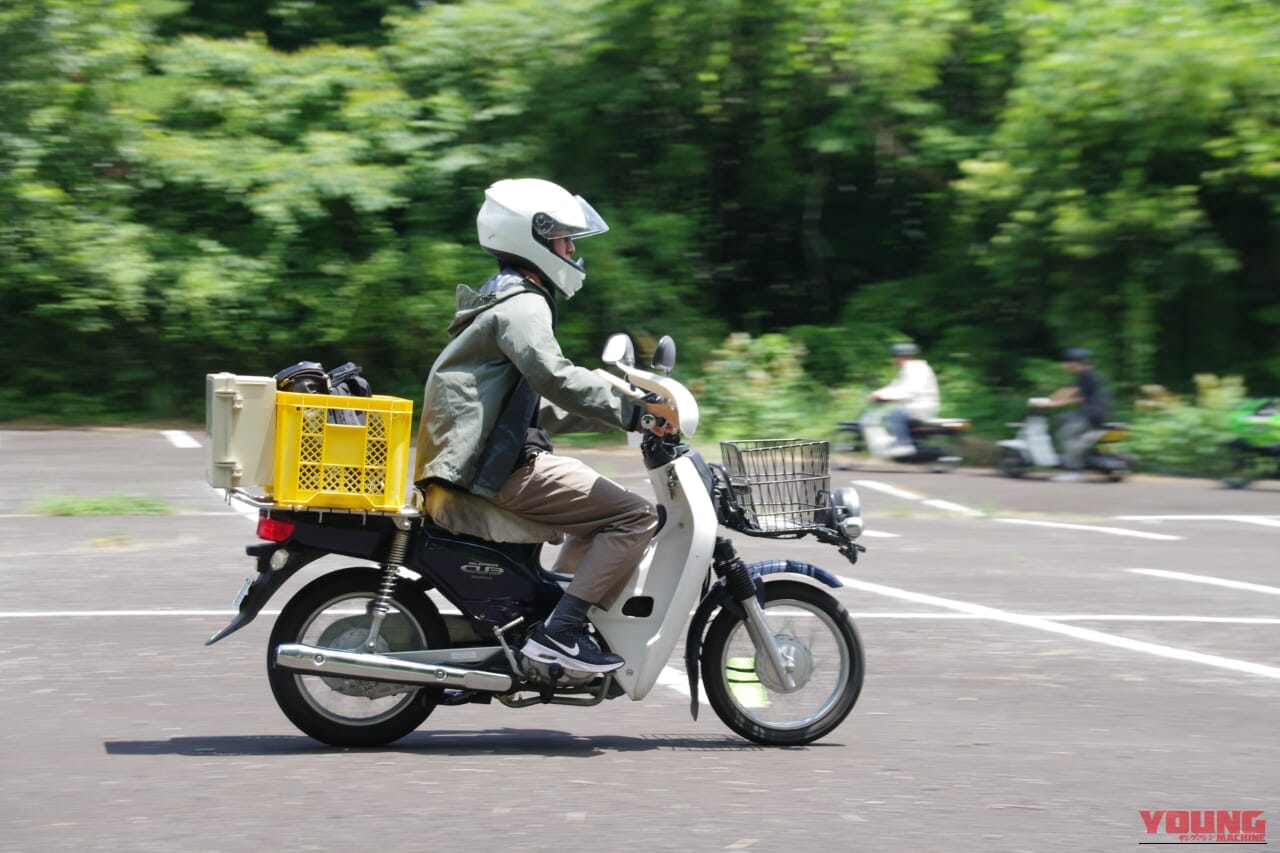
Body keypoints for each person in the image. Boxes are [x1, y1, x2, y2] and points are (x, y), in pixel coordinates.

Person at [413, 178, 674, 673]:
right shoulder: (524, 304)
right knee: (636, 517)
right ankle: (563, 631)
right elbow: (553, 377)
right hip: (500, 470)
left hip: (488, 458)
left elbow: (529, 403)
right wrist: (637, 414)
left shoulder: (504, 297)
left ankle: (553, 618)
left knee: (600, 512)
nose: (572, 249)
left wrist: (618, 398)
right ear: (530, 237)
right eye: (563, 238)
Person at [1039, 347, 1110, 482]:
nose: (1065, 365)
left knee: (1065, 434)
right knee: (1061, 418)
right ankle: (1077, 455)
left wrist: (1048, 402)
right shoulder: (1093, 374)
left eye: (1067, 362)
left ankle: (1073, 471)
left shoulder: (1085, 375)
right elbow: (1090, 396)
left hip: (1091, 415)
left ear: (1076, 363)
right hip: (1099, 412)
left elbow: (1068, 390)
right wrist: (1067, 401)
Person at [869, 342, 940, 457]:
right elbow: (895, 387)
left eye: (894, 358)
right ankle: (896, 442)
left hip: (921, 406)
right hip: (916, 404)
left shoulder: (916, 370)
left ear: (901, 357)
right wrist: (878, 394)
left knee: (895, 414)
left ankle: (903, 444)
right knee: (890, 414)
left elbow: (908, 391)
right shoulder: (910, 369)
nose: (893, 361)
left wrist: (885, 397)